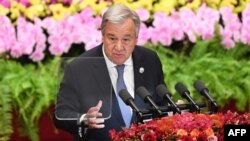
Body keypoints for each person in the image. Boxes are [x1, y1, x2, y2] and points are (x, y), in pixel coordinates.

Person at [53, 4, 165, 141]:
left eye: (126, 39)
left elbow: (160, 102)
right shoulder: (79, 67)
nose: (119, 47)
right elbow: (61, 114)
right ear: (102, 36)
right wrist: (84, 119)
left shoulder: (149, 60)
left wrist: (172, 111)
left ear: (136, 38)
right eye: (112, 38)